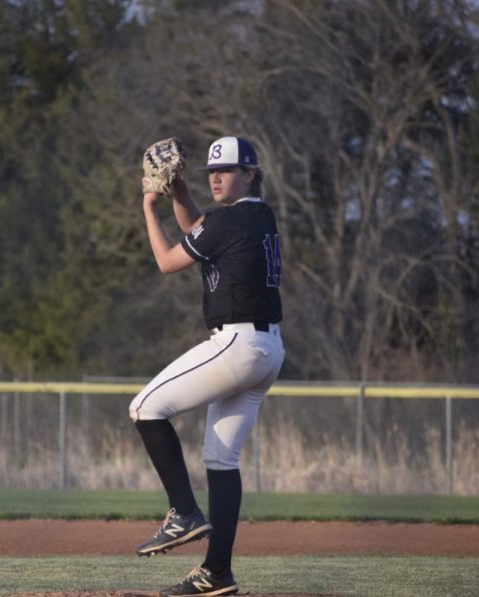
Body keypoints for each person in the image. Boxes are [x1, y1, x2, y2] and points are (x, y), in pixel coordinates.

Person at [129, 136, 285, 597]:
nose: (216, 177)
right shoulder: (254, 217)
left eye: (228, 170)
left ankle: (184, 513)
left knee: (145, 408)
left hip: (239, 343)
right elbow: (200, 227)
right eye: (210, 172)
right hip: (268, 349)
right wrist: (179, 192)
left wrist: (147, 204)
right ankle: (217, 572)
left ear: (251, 174)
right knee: (221, 458)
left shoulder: (234, 219)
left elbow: (166, 261)